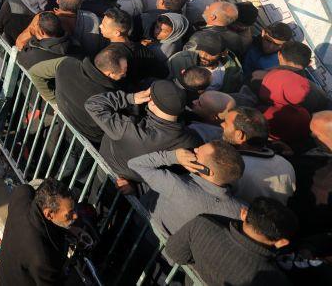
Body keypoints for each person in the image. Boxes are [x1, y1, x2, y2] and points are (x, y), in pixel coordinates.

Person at [85, 79, 201, 187]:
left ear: (152, 102)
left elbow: (93, 104)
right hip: (141, 187)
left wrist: (130, 98)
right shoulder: (192, 140)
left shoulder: (130, 129)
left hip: (109, 172)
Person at [165, 197, 297, 286]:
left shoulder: (202, 224)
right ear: (282, 242)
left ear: (244, 213)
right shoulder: (273, 279)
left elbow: (174, 252)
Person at [129, 141, 246, 235]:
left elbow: (135, 164)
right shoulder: (242, 211)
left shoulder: (178, 185)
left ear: (207, 171)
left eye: (197, 154)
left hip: (141, 234)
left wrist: (174, 156)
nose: (193, 151)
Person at [0, 179, 78, 286]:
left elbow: (28, 189)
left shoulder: (22, 194)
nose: (76, 216)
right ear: (48, 214)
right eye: (69, 214)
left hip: (3, 275)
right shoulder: (42, 257)